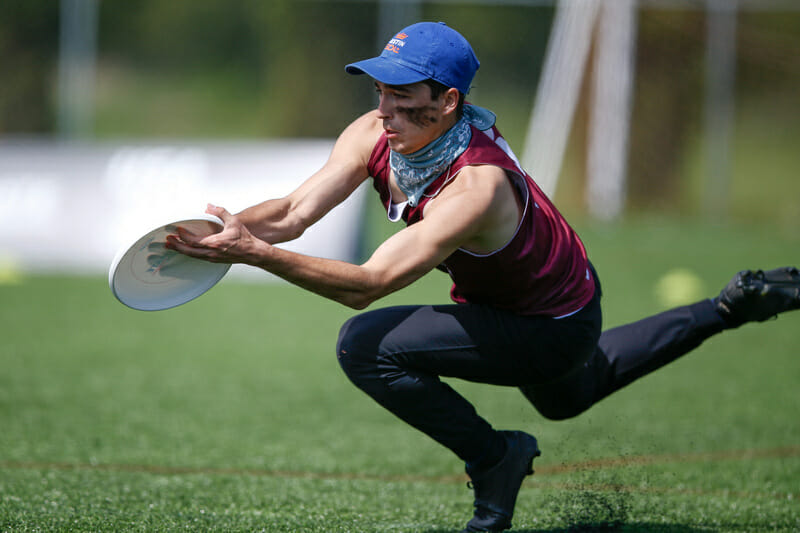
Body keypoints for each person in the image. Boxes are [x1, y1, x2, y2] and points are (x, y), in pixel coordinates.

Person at [165, 22, 800, 533]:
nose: (385, 110)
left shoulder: (477, 186)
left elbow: (367, 284)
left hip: (547, 325)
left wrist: (255, 255)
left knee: (365, 345)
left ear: (448, 101)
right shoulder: (376, 132)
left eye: (404, 96)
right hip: (559, 304)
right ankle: (730, 306)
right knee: (572, 392)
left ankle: (496, 459)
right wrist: (217, 234)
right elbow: (292, 214)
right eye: (380, 91)